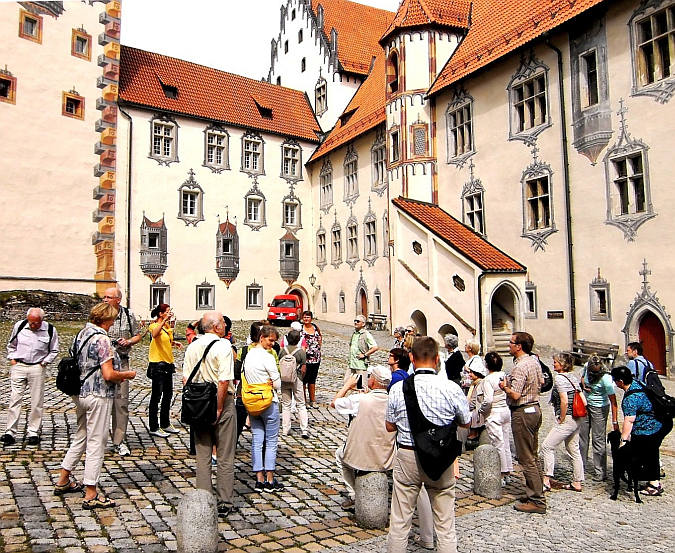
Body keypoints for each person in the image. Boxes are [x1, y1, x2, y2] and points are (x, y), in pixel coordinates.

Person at [386, 336, 470, 553]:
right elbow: (466, 421)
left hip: (407, 454)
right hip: (440, 457)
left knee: (400, 521)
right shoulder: (451, 388)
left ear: (412, 358)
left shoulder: (398, 389)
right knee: (445, 523)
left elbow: (389, 426)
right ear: (437, 359)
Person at [54, 302, 136, 509]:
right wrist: (127, 374)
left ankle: (63, 479)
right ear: (107, 320)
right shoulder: (102, 340)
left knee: (81, 435)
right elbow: (108, 374)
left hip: (80, 393)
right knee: (97, 442)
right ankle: (91, 492)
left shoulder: (81, 334)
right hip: (98, 395)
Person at [182, 311, 237, 516]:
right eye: (223, 322)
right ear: (216, 327)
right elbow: (224, 381)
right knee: (224, 455)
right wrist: (219, 407)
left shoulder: (193, 345)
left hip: (197, 403)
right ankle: (224, 502)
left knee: (203, 454)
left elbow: (186, 379)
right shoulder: (223, 346)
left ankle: (204, 499)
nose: (225, 325)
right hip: (219, 401)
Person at [332, 365, 395, 510]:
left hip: (360, 454)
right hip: (387, 456)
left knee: (339, 455)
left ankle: (354, 495)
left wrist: (347, 386)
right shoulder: (393, 400)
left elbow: (334, 403)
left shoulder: (360, 399)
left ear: (373, 381)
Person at [500, 331, 546, 514]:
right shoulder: (534, 361)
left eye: (511, 342)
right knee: (532, 455)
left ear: (519, 346)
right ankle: (534, 491)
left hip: (523, 411)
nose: (509, 345)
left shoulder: (520, 367)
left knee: (526, 458)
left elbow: (516, 394)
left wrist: (505, 387)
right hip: (535, 408)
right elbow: (542, 382)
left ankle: (537, 500)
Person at [611, 365, 672, 496]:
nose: (615, 383)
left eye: (615, 380)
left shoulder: (630, 399)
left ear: (620, 381)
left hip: (649, 428)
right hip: (660, 423)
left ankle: (654, 484)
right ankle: (653, 480)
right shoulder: (637, 383)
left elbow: (629, 420)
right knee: (651, 453)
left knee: (647, 454)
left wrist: (623, 440)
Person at [3, 307, 59, 446]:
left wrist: (44, 362)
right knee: (15, 399)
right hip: (19, 365)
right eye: (31, 322)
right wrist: (13, 360)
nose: (33, 325)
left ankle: (33, 431)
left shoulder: (50, 330)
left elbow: (54, 350)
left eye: (36, 323)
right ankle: (10, 431)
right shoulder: (20, 326)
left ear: (42, 320)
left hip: (37, 367)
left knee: (36, 401)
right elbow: (11, 344)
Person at [102, 287, 142, 457]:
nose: (104, 299)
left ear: (118, 299)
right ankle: (98, 440)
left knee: (121, 404)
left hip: (122, 363)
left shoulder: (128, 315)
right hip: (102, 364)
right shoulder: (100, 313)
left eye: (108, 297)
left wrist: (128, 341)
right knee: (100, 403)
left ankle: (119, 441)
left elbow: (138, 335)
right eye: (103, 296)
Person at [244, 325, 284, 491]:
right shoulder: (267, 357)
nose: (272, 344)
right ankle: (269, 479)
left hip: (253, 402)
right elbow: (278, 383)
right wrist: (271, 383)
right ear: (262, 338)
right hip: (268, 402)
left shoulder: (249, 354)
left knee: (257, 440)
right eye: (270, 340)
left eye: (274, 341)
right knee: (271, 441)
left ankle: (258, 478)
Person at [540, 352, 584, 493]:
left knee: (547, 446)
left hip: (569, 417)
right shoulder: (573, 376)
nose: (553, 364)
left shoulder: (559, 378)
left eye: (556, 362)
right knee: (573, 449)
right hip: (578, 418)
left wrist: (562, 418)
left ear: (562, 364)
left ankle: (546, 480)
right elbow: (582, 397)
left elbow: (564, 400)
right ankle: (577, 482)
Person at [579, 355, 619, 481]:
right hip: (586, 404)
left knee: (598, 439)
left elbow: (613, 401)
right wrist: (584, 386)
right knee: (582, 437)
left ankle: (600, 471)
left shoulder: (606, 379)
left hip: (600, 408)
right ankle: (581, 467)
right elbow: (582, 378)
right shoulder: (586, 367)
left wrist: (615, 421)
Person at [147, 303, 182, 438]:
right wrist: (164, 322)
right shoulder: (154, 325)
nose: (170, 313)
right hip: (157, 365)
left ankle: (165, 423)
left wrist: (174, 343)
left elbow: (165, 340)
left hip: (168, 364)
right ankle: (153, 426)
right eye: (167, 311)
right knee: (156, 396)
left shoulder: (166, 327)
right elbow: (155, 335)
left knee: (168, 395)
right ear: (161, 314)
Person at [479, 352, 513, 482]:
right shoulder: (503, 375)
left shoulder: (488, 379)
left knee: (497, 443)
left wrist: (481, 411)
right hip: (505, 410)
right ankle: (508, 469)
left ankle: (502, 472)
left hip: (494, 412)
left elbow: (488, 400)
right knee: (505, 442)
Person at [280, 329, 309, 437]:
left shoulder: (282, 351)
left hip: (285, 379)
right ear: (298, 340)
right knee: (301, 404)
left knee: (286, 405)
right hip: (297, 379)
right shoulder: (301, 352)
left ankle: (285, 429)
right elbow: (304, 369)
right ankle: (304, 429)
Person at [347, 315, 378, 387]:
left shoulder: (366, 334)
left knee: (360, 386)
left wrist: (365, 355)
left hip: (360, 365)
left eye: (358, 321)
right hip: (351, 364)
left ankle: (361, 397)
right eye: (355, 321)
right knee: (347, 383)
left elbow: (375, 347)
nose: (355, 322)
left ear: (363, 324)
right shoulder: (354, 333)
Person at [299, 311, 322, 408]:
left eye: (308, 317)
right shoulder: (300, 329)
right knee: (304, 379)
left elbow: (320, 338)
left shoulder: (315, 327)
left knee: (312, 379)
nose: (306, 319)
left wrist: (319, 346)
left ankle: (313, 400)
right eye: (304, 317)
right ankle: (303, 400)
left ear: (311, 318)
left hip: (316, 358)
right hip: (305, 358)